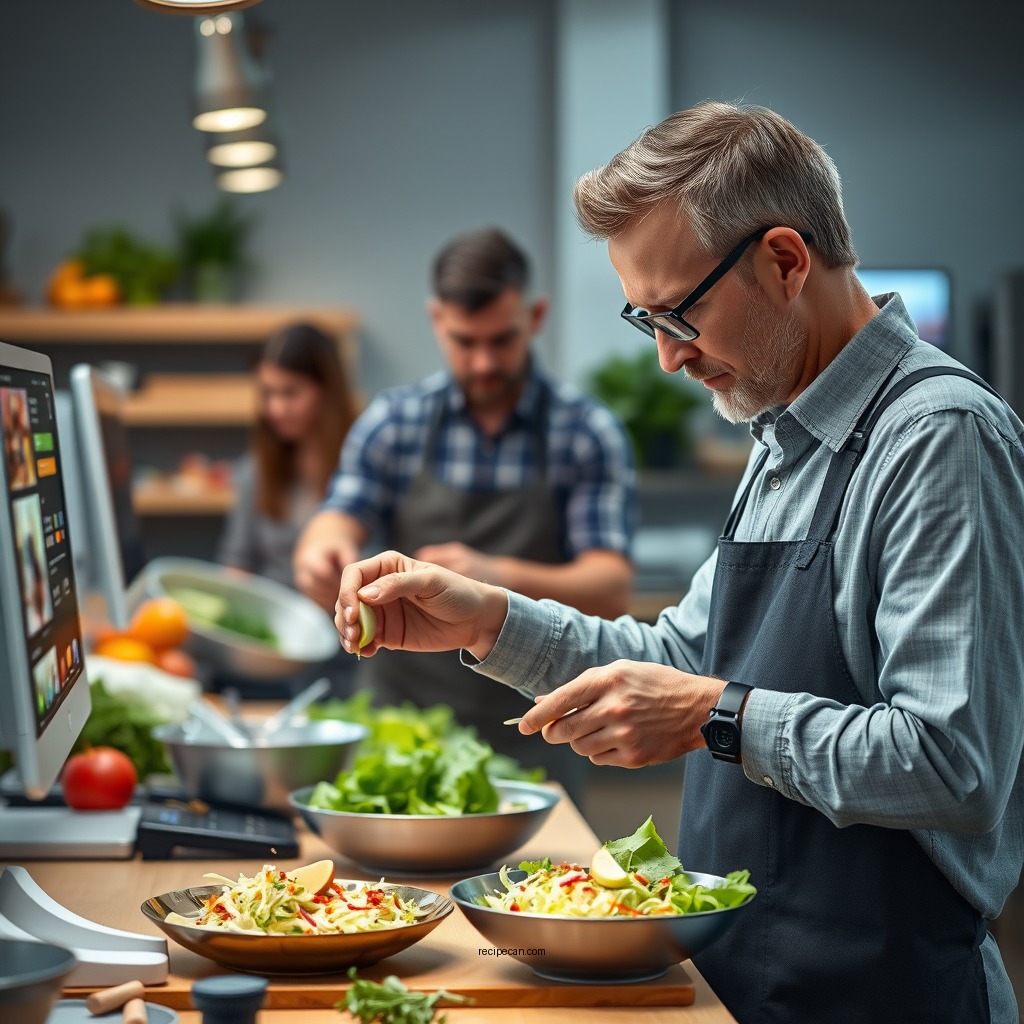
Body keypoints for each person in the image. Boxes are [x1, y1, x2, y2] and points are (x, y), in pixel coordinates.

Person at [333, 104, 1024, 1024]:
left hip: (879, 989)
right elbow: (681, 656)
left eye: (680, 311)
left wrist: (717, 716)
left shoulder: (938, 436)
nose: (665, 356)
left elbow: (952, 765)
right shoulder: (786, 433)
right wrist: (490, 621)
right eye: (644, 318)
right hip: (751, 976)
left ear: (785, 260)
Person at [294, 227, 636, 794]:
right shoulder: (394, 422)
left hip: (535, 731)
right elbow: (340, 513)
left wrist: (495, 578)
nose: (482, 362)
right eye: (463, 341)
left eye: (501, 340)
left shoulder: (585, 433)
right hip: (399, 731)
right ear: (437, 321)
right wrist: (320, 548)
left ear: (536, 315)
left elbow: (611, 586)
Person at [217, 322, 359, 591]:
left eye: (290, 393)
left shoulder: (366, 467)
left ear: (326, 390)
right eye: (267, 393)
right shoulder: (256, 470)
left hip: (350, 622)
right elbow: (237, 562)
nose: (276, 409)